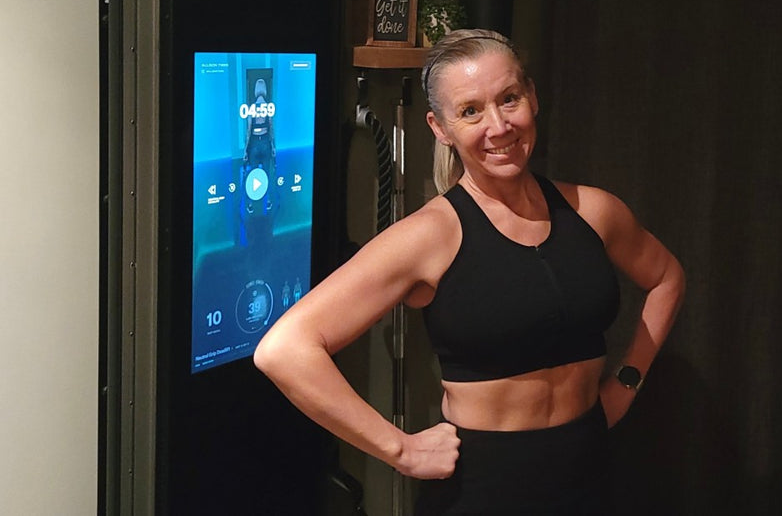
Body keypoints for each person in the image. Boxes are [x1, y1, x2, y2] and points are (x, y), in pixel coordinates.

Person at [254, 29, 685, 515]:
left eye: (509, 99)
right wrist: (400, 449)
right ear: (440, 128)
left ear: (532, 98)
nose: (498, 126)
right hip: (482, 488)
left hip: (589, 467)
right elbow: (285, 348)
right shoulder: (429, 236)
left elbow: (666, 276)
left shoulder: (594, 211)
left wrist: (626, 385)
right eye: (471, 111)